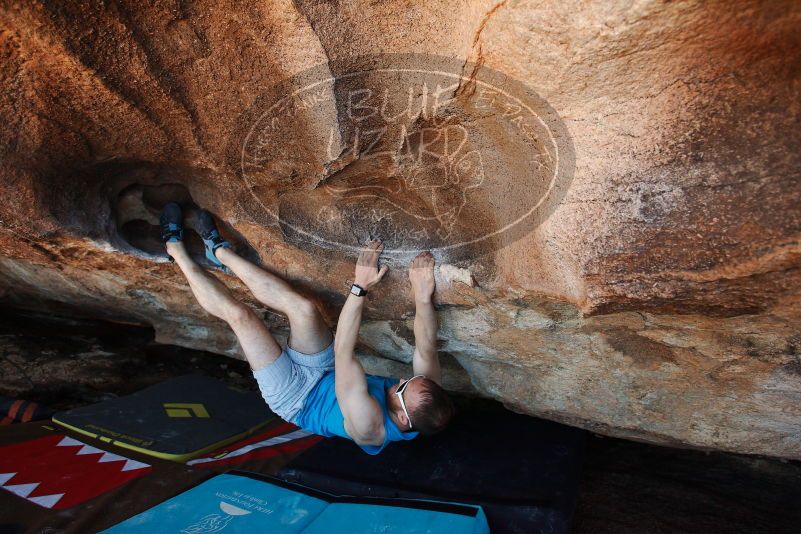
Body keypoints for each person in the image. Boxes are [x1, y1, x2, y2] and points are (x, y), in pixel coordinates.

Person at [160, 202, 454, 454]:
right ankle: (220, 253)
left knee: (241, 316)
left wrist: (360, 285)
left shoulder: (368, 424)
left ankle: (176, 251)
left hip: (295, 396)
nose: (401, 379)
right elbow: (426, 346)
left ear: (402, 419)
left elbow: (343, 352)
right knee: (303, 309)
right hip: (324, 372)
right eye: (409, 380)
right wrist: (421, 295)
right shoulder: (423, 396)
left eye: (402, 387)